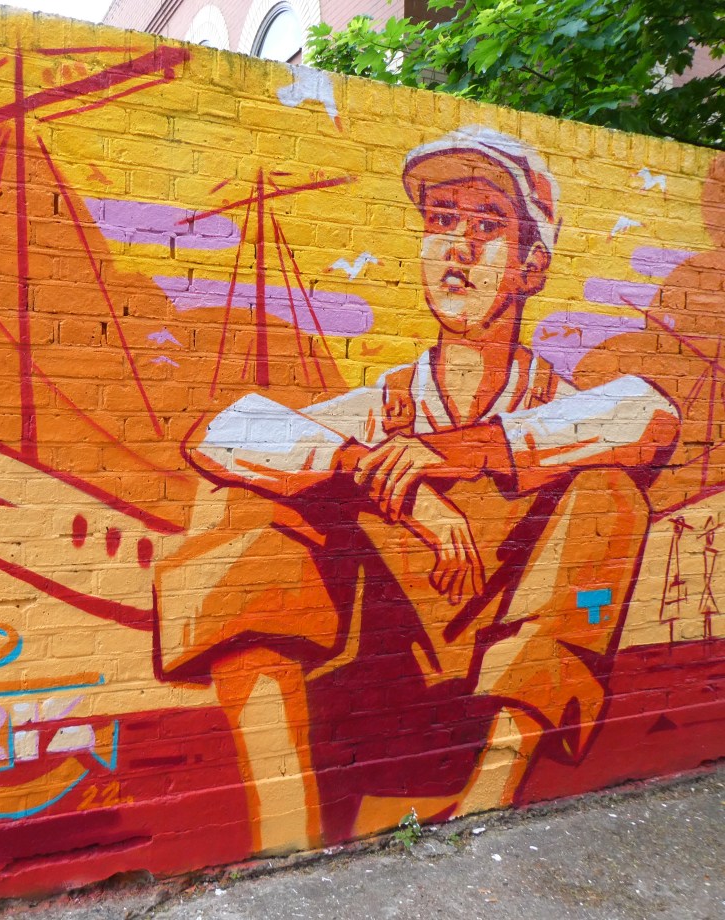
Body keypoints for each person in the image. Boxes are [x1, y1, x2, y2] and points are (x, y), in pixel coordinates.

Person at [156, 126, 681, 849]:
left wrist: (454, 453)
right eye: (441, 221)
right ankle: (283, 834)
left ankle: (486, 805)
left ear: (531, 266)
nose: (458, 246)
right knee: (246, 492)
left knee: (607, 496)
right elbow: (220, 432)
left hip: (497, 698)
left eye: (487, 226)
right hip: (374, 685)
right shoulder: (380, 408)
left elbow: (651, 415)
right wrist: (389, 481)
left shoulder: (562, 410)